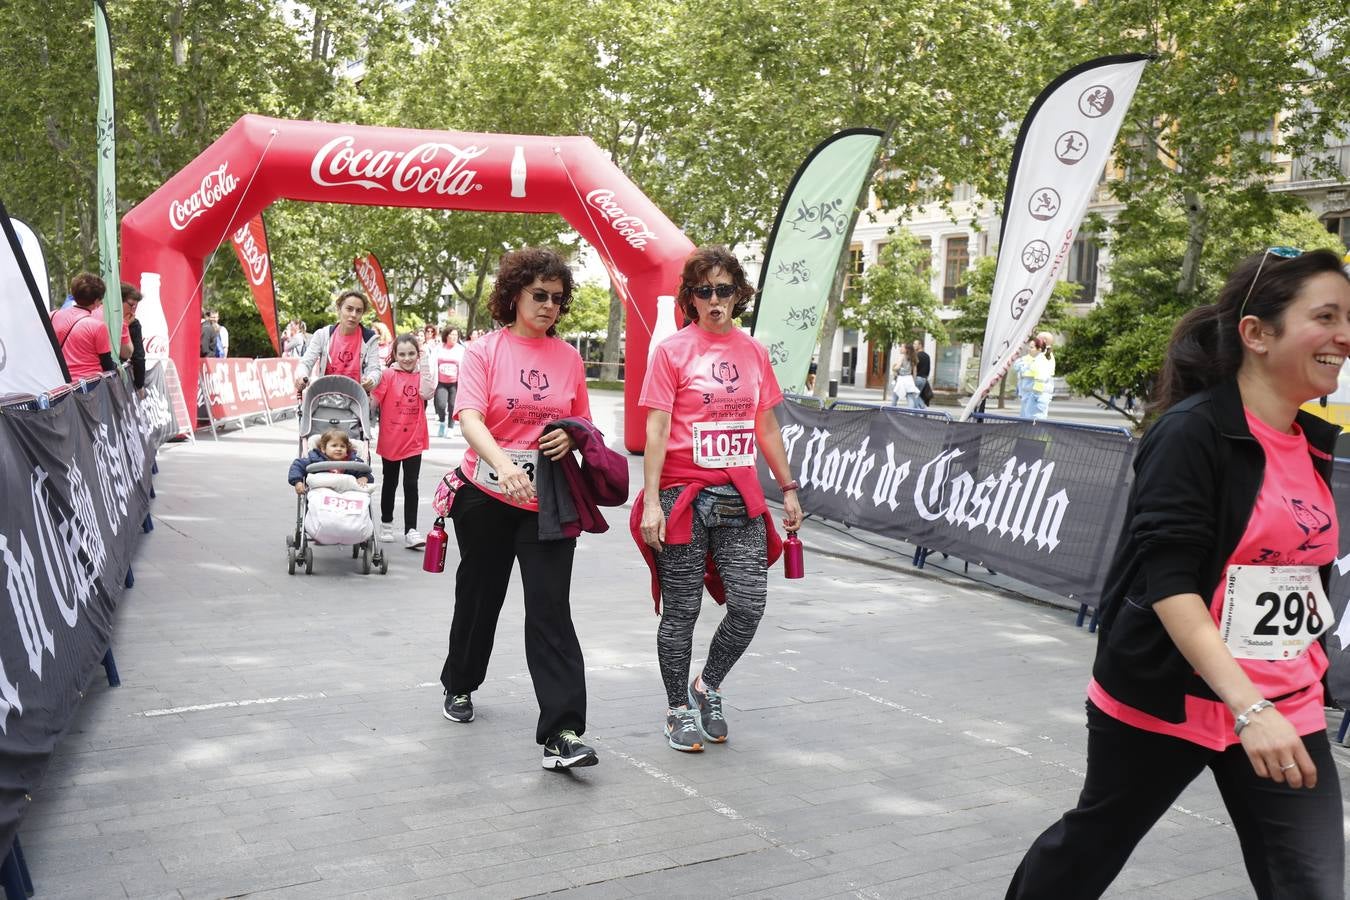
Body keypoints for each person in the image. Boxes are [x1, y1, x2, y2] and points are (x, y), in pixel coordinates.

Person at [1005, 248, 1350, 899]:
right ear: (1257, 334)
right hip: (1169, 699)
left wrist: (1279, 695)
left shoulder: (1314, 440)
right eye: (1325, 316)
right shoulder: (1192, 433)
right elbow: (1170, 584)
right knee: (1090, 847)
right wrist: (1247, 707)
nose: (1344, 336)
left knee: (1310, 885)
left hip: (1286, 703)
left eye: (1349, 318)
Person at [635, 245, 804, 753]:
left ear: (738, 295)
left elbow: (767, 425)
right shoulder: (671, 352)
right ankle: (676, 709)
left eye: (723, 290)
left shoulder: (753, 352)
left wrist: (788, 487)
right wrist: (650, 503)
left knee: (749, 604)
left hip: (738, 495)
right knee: (681, 611)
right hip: (681, 495)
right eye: (704, 290)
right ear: (690, 297)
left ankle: (707, 686)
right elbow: (658, 428)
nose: (714, 300)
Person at [438, 247, 599, 770]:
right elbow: (469, 418)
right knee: (481, 597)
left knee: (551, 608)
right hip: (485, 495)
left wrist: (569, 441)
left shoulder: (570, 358)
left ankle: (563, 732)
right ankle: (460, 683)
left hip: (546, 502)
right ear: (514, 296)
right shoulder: (484, 351)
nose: (549, 306)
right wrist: (504, 465)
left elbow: (582, 426)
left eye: (558, 298)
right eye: (539, 295)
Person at [371, 333, 435, 549]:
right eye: (402, 354)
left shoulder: (421, 375)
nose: (407, 358)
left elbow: (427, 393)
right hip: (391, 438)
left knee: (411, 484)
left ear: (418, 354)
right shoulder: (388, 375)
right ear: (395, 355)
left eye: (411, 354)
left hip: (414, 439)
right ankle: (386, 524)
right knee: (390, 483)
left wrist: (424, 363)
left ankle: (411, 530)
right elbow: (374, 401)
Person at [294, 290, 383, 394]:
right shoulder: (322, 335)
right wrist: (302, 375)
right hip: (326, 397)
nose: (353, 314)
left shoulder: (370, 338)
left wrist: (371, 380)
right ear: (339, 309)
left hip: (356, 399)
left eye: (358, 311)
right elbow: (306, 362)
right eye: (349, 309)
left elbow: (375, 369)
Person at [51, 273, 117, 382]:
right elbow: (107, 364)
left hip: (58, 384)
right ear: (96, 301)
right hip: (89, 386)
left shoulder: (52, 316)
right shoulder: (98, 326)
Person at [288, 427, 371, 492]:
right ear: (323, 449)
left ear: (347, 449)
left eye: (342, 446)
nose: (339, 449)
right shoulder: (315, 458)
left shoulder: (353, 462)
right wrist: (297, 482)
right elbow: (298, 466)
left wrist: (364, 478)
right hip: (321, 493)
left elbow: (366, 472)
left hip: (346, 495)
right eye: (334, 446)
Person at [433, 326, 465, 438]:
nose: (454, 337)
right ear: (446, 336)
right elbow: (433, 364)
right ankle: (442, 422)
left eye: (456, 335)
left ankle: (450, 428)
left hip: (455, 383)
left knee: (452, 405)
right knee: (441, 405)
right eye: (452, 334)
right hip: (441, 382)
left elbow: (465, 366)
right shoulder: (439, 348)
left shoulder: (461, 349)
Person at [121, 283, 146, 392]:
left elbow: (138, 356)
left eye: (135, 306)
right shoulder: (100, 318)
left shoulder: (134, 324)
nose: (133, 311)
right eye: (131, 305)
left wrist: (139, 384)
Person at [1012, 337, 1042, 419]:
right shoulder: (1023, 360)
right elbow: (1016, 368)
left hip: (1036, 395)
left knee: (1033, 417)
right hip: (1025, 393)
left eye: (1032, 347)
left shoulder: (1041, 362)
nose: (1029, 349)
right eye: (1029, 346)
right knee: (1025, 416)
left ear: (1039, 349)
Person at [1031, 331, 1056, 419]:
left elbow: (1040, 374)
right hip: (1041, 388)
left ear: (1044, 341)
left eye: (1037, 339)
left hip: (1041, 389)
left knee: (1039, 414)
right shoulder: (1044, 354)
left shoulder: (1045, 355)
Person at [891, 344, 923, 409]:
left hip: (901, 380)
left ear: (906, 350)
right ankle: (911, 413)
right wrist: (913, 382)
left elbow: (897, 367)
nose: (900, 348)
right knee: (910, 398)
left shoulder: (902, 357)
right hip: (909, 379)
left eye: (902, 347)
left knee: (895, 397)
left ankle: (890, 412)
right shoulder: (913, 357)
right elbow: (914, 372)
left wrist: (893, 367)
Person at [913, 339, 932, 404]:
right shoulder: (927, 356)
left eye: (915, 344)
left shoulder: (916, 355)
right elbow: (928, 369)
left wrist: (913, 378)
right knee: (918, 396)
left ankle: (913, 413)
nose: (914, 346)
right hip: (924, 379)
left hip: (917, 378)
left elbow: (914, 368)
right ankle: (923, 411)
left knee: (913, 397)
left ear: (920, 345)